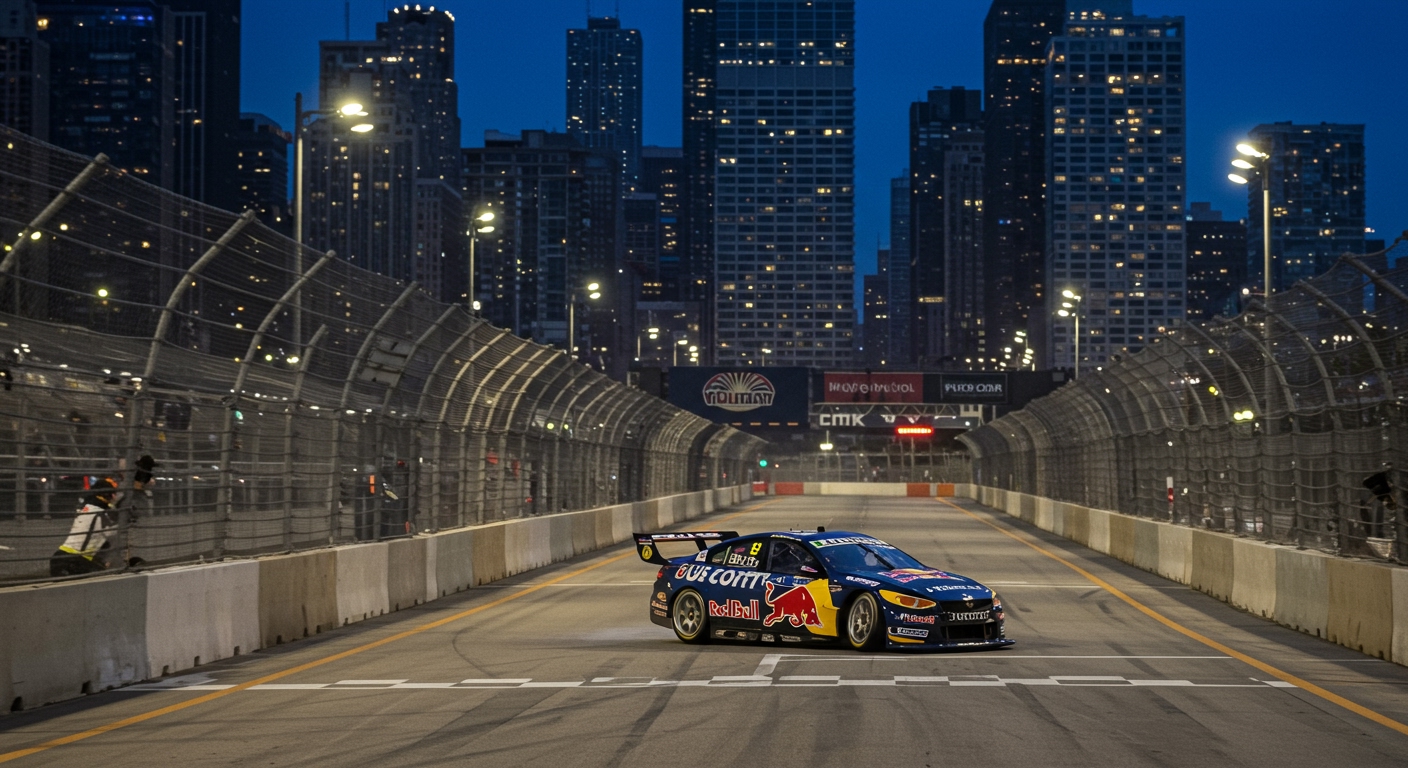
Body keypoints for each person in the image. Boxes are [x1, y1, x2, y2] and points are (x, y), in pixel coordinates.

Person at [49, 478, 120, 577]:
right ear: (109, 495)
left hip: (60, 557)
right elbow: (114, 531)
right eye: (113, 494)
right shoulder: (101, 512)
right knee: (106, 579)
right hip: (76, 560)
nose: (115, 497)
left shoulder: (86, 507)